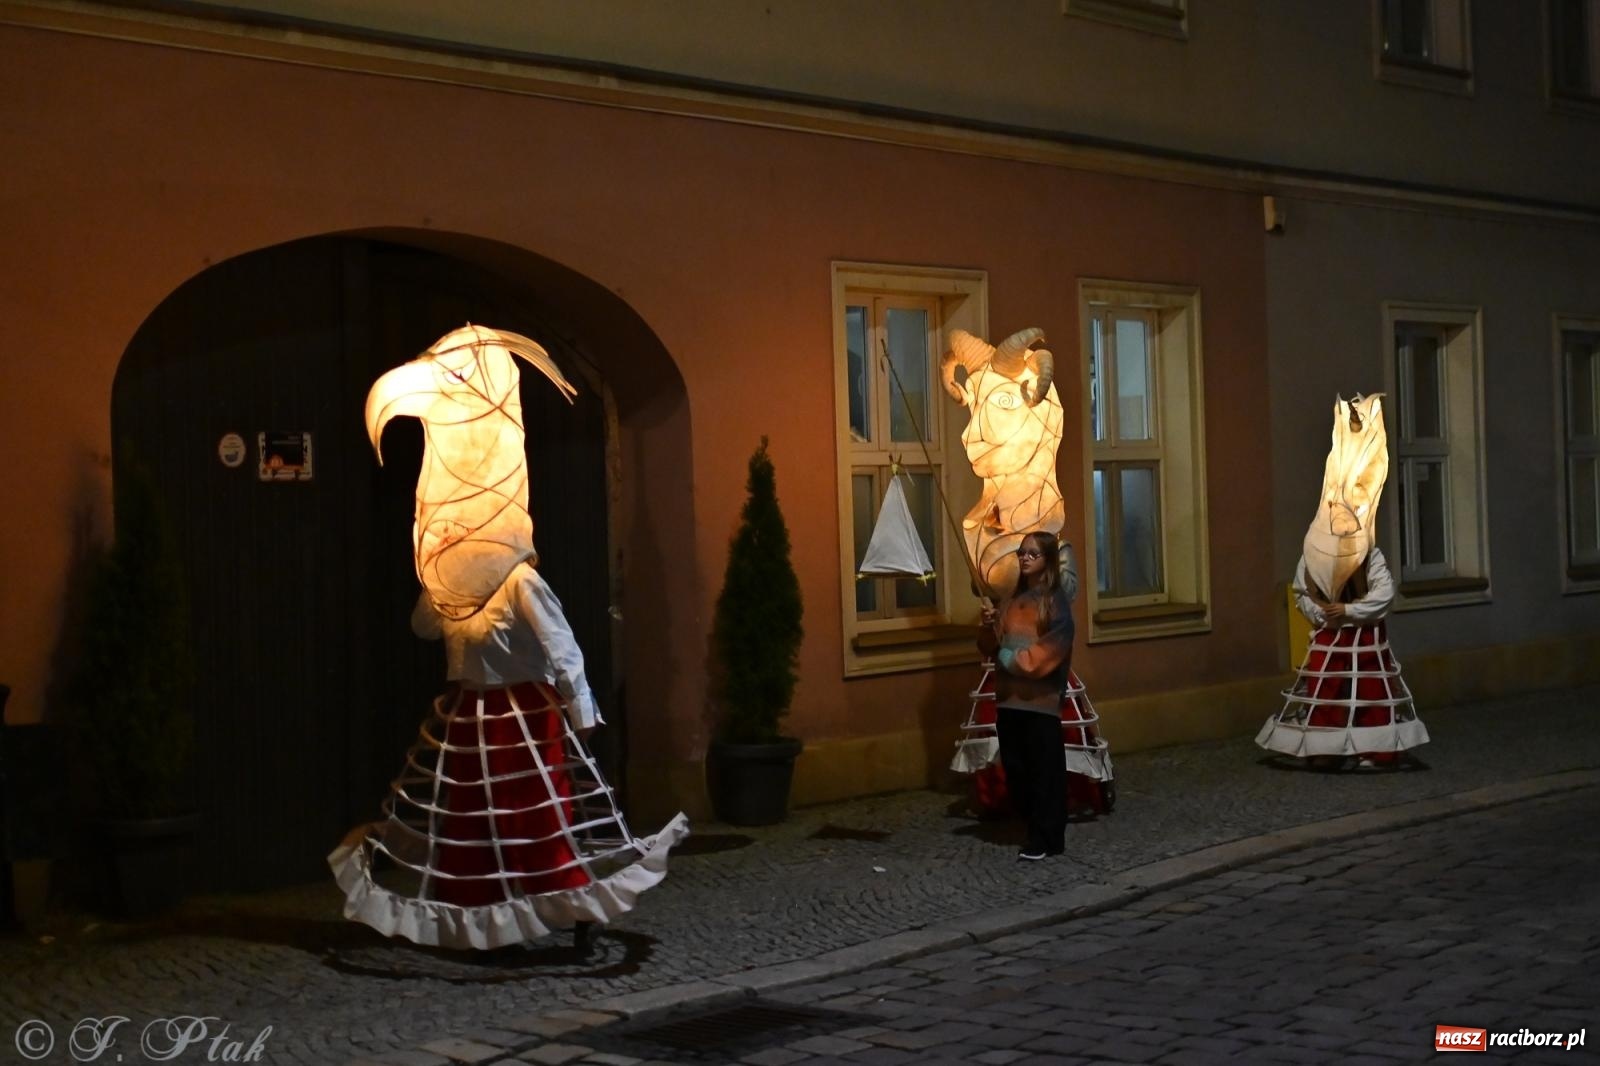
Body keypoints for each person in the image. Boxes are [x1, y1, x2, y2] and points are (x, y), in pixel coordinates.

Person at [1257, 545, 1428, 768]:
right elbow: (1302, 592)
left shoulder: (1370, 555)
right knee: (1324, 687)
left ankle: (1376, 750)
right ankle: (1325, 750)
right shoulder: (1313, 554)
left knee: (1372, 688)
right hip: (1330, 631)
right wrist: (1324, 613)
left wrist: (1350, 610)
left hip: (1365, 630)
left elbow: (1385, 592)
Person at [978, 531, 1075, 860]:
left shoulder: (1055, 603)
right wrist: (988, 627)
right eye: (1021, 553)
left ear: (1048, 559)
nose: (1025, 558)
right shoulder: (1011, 601)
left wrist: (1012, 659)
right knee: (1017, 770)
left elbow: (1050, 650)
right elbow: (990, 646)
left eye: (1033, 553)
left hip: (1041, 703)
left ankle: (1047, 838)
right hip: (1009, 701)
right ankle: (1034, 828)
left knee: (1044, 772)